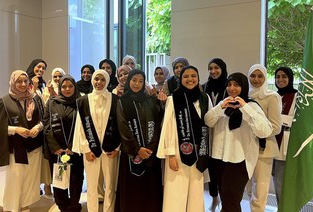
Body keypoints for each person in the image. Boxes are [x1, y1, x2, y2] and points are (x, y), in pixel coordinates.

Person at [204, 72, 273, 212]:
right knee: (227, 200)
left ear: (243, 86)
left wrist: (245, 107)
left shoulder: (252, 106)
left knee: (231, 200)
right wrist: (220, 107)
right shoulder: (222, 104)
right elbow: (208, 121)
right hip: (219, 159)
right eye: (229, 85)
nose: (232, 88)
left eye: (236, 85)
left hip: (239, 161)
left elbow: (265, 131)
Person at [157, 65, 212, 212]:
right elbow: (167, 127)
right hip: (178, 152)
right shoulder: (173, 98)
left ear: (198, 78)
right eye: (186, 76)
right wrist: (170, 154)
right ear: (181, 79)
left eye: (193, 76)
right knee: (175, 193)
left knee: (195, 193)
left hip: (199, 152)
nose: (190, 79)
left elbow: (210, 122)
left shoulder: (204, 99)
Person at [0, 70, 44, 212]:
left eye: (25, 81)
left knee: (30, 180)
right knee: (15, 180)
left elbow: (43, 119)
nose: (23, 84)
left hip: (34, 147)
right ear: (13, 82)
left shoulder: (35, 98)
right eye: (19, 81)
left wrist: (38, 127)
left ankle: (25, 206)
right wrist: (16, 130)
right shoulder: (4, 101)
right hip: (16, 149)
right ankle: (12, 208)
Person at [72, 69, 121, 212]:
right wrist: (86, 149)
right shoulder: (83, 100)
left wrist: (117, 148)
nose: (98, 82)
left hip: (110, 149)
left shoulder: (116, 100)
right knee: (92, 186)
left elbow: (119, 126)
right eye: (96, 79)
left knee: (110, 185)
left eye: (102, 79)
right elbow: (80, 127)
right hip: (91, 149)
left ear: (107, 81)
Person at [115, 69, 163, 212]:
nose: (137, 84)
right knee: (132, 189)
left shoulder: (150, 100)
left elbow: (156, 125)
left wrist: (150, 148)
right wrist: (137, 149)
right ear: (129, 81)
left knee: (149, 189)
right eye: (134, 80)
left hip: (150, 153)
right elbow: (123, 127)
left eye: (141, 81)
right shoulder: (122, 101)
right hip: (131, 153)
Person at [44, 75, 83, 212]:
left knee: (76, 179)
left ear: (75, 87)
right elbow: (47, 126)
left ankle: (74, 205)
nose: (67, 89)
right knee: (59, 179)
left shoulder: (80, 102)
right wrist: (55, 147)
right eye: (64, 86)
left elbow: (84, 126)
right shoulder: (52, 102)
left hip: (76, 149)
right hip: (57, 151)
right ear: (59, 87)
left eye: (70, 86)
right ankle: (62, 205)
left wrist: (74, 146)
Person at [247, 64, 282, 212]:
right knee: (248, 188)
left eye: (260, 76)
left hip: (264, 149)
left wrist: (257, 131)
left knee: (260, 189)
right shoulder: (245, 95)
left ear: (265, 78)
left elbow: (276, 127)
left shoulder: (272, 97)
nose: (256, 79)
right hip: (246, 148)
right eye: (253, 76)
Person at [202, 58, 228, 211]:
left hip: (224, 133)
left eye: (216, 68)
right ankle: (214, 198)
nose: (213, 71)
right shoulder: (204, 88)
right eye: (210, 68)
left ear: (223, 69)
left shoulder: (229, 87)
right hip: (207, 133)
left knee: (223, 169)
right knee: (211, 169)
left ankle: (225, 200)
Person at [26, 58, 52, 196]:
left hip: (43, 124)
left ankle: (47, 185)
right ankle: (34, 186)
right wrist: (34, 88)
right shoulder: (24, 82)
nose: (41, 70)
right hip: (30, 126)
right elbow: (26, 102)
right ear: (32, 67)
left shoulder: (43, 84)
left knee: (44, 157)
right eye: (39, 67)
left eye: (43, 68)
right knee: (33, 158)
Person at [272, 67, 297, 205]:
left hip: (287, 143)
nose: (280, 79)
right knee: (276, 181)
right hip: (272, 141)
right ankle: (281, 207)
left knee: (284, 182)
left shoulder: (297, 96)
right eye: (277, 77)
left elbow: (297, 120)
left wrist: (275, 119)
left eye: (284, 77)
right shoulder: (273, 95)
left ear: (290, 78)